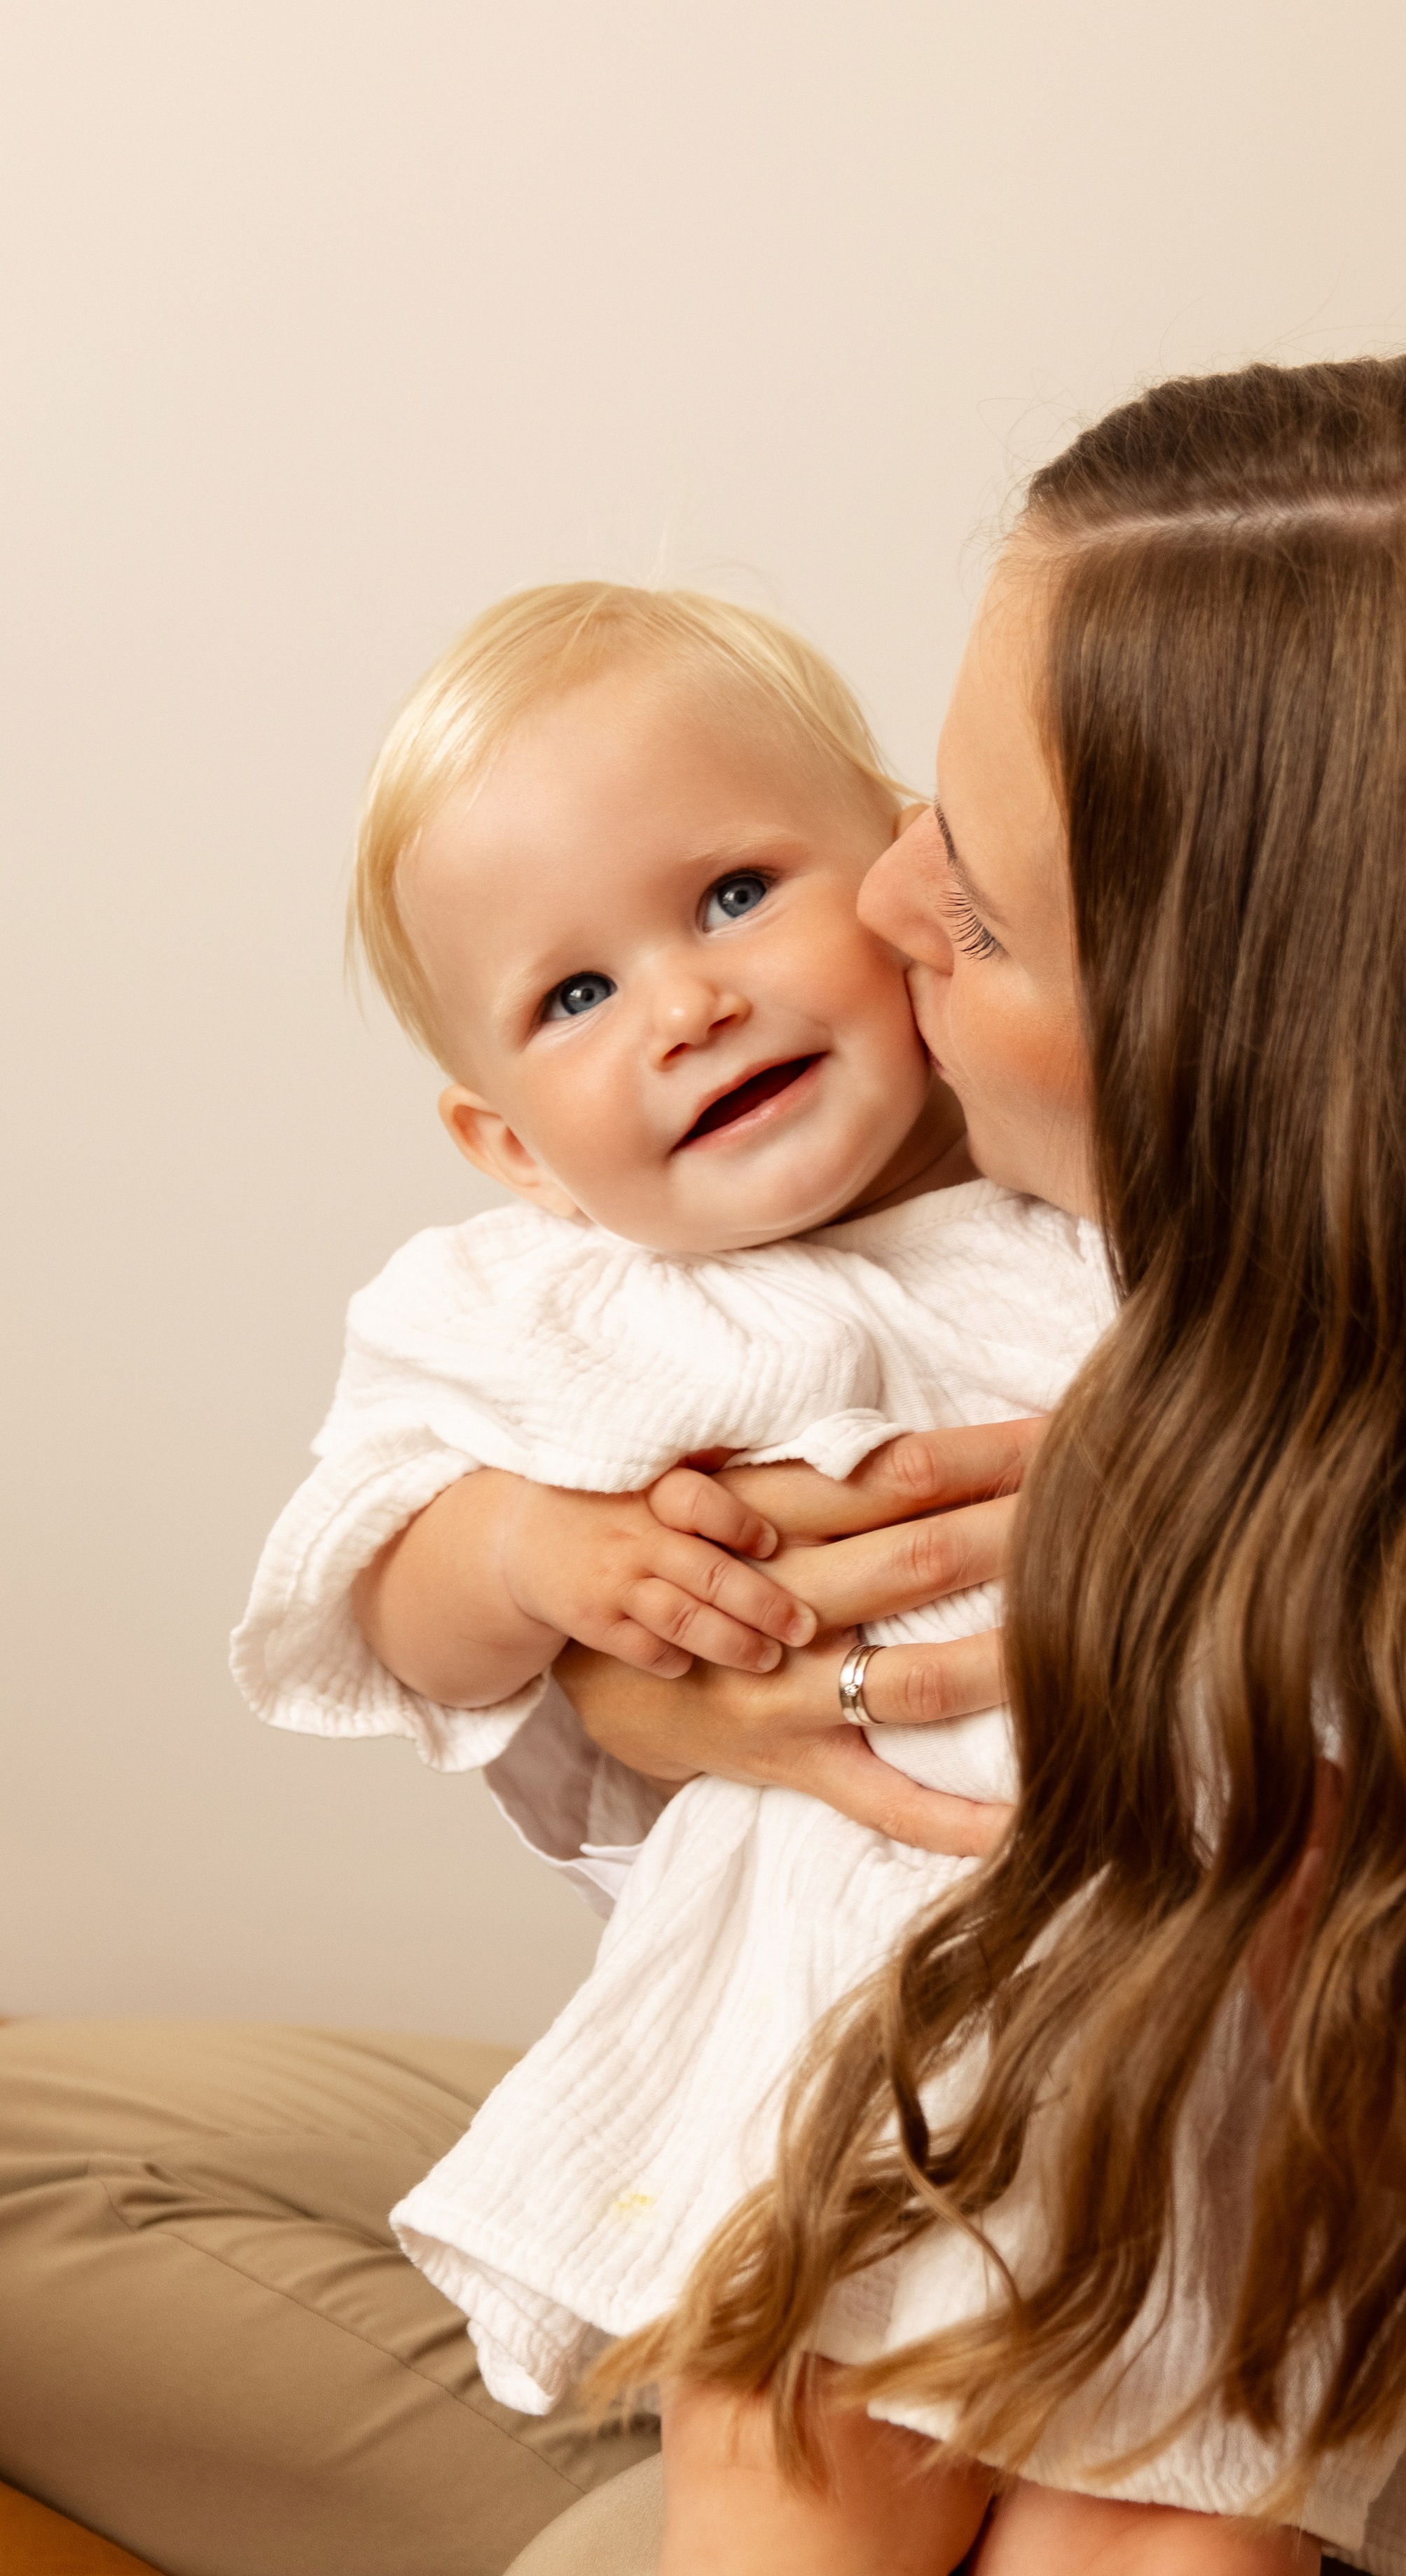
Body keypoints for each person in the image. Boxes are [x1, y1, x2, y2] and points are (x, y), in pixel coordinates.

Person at [462, 348, 1406, 2576]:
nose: (868, 915)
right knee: (62, 2156)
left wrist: (1273, 1614)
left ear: (1264, 1069)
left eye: (968, 911)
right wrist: (637, 1662)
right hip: (975, 2204)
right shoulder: (971, 1251)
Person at [230, 575, 1115, 2413]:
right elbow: (365, 1574)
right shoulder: (556, 1309)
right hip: (786, 2068)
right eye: (572, 995)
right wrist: (525, 1550)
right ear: (511, 1150)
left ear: (901, 874)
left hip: (1154, 2043)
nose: (687, 1004)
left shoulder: (1097, 1218)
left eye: (730, 895)